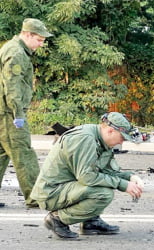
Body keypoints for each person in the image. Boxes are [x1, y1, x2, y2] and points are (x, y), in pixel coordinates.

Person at [30, 112, 144, 239]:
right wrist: (122, 184)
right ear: (110, 131)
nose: (121, 142)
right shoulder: (85, 139)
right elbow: (87, 177)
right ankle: (57, 219)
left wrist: (130, 178)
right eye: (122, 138)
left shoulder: (100, 139)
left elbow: (107, 171)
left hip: (66, 187)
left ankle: (90, 222)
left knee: (105, 182)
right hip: (51, 193)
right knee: (103, 193)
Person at [0, 18, 53, 207]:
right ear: (28, 34)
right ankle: (35, 197)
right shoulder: (16, 53)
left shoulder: (13, 48)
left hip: (3, 111)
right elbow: (12, 86)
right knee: (23, 153)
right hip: (9, 113)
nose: (41, 44)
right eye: (39, 40)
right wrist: (18, 114)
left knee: (2, 154)